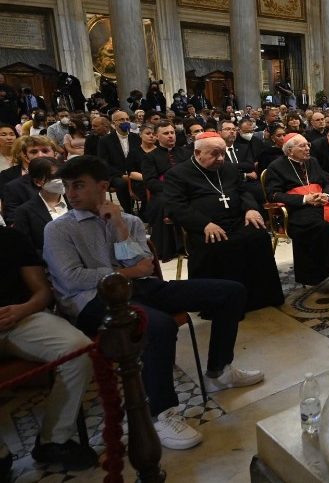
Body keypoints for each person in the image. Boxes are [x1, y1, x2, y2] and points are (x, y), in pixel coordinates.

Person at [43, 155, 265, 450]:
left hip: (140, 287)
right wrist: (124, 273)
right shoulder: (58, 229)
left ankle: (219, 372)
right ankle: (162, 413)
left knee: (231, 292)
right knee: (159, 326)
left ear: (103, 186)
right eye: (68, 187)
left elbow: (142, 264)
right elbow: (72, 278)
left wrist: (119, 227)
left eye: (79, 186)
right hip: (92, 301)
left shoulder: (130, 221)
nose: (71, 194)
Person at [0, 226, 98, 474]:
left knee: (79, 349)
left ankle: (53, 438)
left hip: (21, 317)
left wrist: (23, 309)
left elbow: (43, 292)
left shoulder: (11, 237)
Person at [163, 132, 283, 310]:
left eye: (223, 153)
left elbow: (244, 191)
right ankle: (225, 304)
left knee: (258, 236)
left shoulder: (229, 168)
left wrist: (250, 208)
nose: (220, 158)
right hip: (205, 226)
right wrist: (204, 224)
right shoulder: (177, 174)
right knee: (221, 244)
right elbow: (175, 206)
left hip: (236, 220)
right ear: (197, 153)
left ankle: (261, 297)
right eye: (214, 154)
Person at [264, 133, 329, 295]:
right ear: (290, 150)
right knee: (324, 228)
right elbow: (274, 195)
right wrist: (305, 199)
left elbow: (327, 182)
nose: (307, 148)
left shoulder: (313, 162)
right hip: (300, 210)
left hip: (324, 204)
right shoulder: (276, 167)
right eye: (302, 146)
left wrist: (327, 195)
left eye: (308, 145)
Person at [142, 120, 193, 260]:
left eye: (172, 132)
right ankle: (169, 248)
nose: (170, 136)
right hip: (163, 192)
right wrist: (172, 188)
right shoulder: (150, 157)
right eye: (166, 133)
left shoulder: (187, 153)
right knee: (162, 203)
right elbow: (150, 182)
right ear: (157, 137)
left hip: (188, 188)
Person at [11, 157, 67, 255]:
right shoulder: (24, 212)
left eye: (62, 176)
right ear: (37, 182)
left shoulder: (77, 202)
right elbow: (26, 249)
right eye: (54, 177)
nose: (60, 180)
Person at [97, 110, 143, 214]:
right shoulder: (105, 140)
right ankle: (128, 211)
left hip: (134, 173)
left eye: (127, 119)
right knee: (121, 184)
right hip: (115, 175)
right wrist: (121, 175)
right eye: (122, 120)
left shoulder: (136, 138)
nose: (125, 122)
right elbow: (104, 163)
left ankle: (144, 210)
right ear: (114, 123)